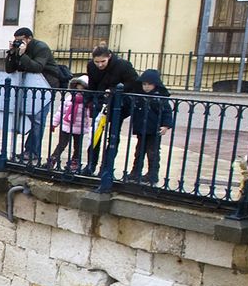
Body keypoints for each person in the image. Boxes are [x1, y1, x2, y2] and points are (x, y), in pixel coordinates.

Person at [80, 45, 141, 175]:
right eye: (97, 62)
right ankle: (91, 165)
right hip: (100, 103)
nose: (100, 65)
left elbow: (134, 82)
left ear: (109, 57)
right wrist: (89, 99)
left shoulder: (123, 65)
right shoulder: (91, 66)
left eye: (103, 61)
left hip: (119, 105)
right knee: (95, 135)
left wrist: (115, 90)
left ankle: (106, 168)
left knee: (113, 136)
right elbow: (92, 84)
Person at [5, 26, 59, 160]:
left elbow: (37, 67)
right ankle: (29, 150)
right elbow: (9, 69)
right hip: (30, 87)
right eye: (16, 41)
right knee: (31, 118)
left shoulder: (41, 48)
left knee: (38, 119)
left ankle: (33, 152)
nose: (19, 43)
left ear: (29, 38)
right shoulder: (19, 50)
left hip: (45, 87)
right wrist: (12, 53)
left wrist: (22, 55)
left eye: (21, 40)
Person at [126, 69, 174, 183]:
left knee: (153, 152)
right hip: (141, 128)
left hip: (154, 129)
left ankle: (152, 174)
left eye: (149, 84)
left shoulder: (160, 97)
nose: (146, 87)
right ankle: (135, 172)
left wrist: (166, 126)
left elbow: (167, 112)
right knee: (139, 151)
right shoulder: (138, 96)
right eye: (144, 84)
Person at [49, 75, 89, 170]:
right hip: (66, 125)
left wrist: (89, 127)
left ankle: (75, 161)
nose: (79, 92)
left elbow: (89, 116)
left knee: (77, 146)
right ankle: (53, 159)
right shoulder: (69, 98)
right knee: (61, 144)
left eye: (81, 90)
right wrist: (54, 123)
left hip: (79, 127)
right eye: (77, 89)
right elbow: (61, 111)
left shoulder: (87, 102)